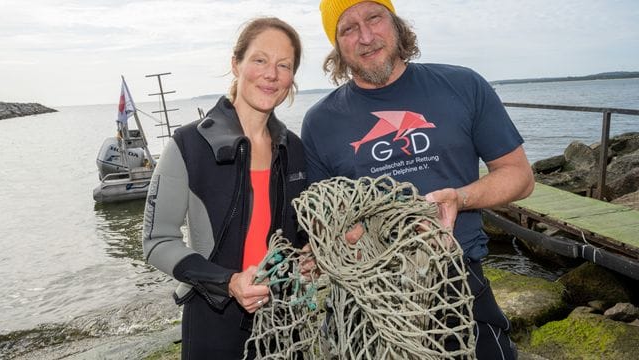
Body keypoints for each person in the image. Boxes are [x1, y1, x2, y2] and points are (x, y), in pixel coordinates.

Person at [301, 1, 535, 359]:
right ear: (337, 46)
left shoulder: (462, 85)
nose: (365, 37)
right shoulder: (320, 121)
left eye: (374, 18)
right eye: (348, 28)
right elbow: (322, 220)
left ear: (395, 23)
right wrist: (345, 236)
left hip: (457, 277)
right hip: (368, 295)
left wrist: (460, 198)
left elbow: (519, 177)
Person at [142, 17, 307, 359]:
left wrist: (311, 255)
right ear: (236, 64)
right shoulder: (189, 144)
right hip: (213, 319)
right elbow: (157, 241)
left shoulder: (294, 148)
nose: (271, 74)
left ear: (291, 78)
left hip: (286, 321)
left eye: (284, 65)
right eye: (259, 60)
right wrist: (228, 281)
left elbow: (301, 234)